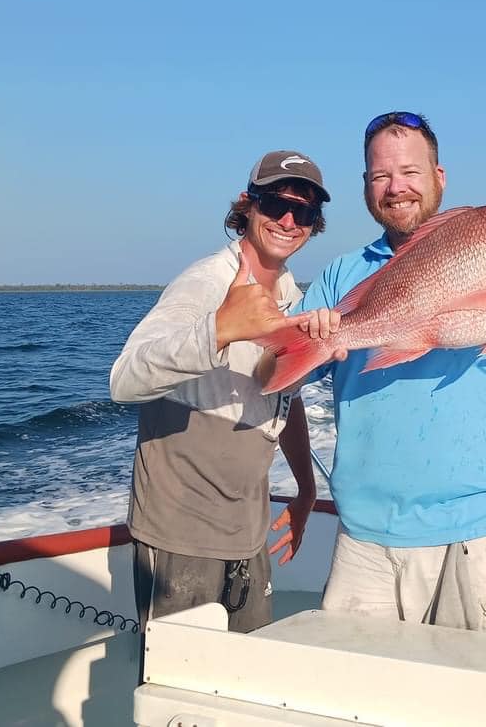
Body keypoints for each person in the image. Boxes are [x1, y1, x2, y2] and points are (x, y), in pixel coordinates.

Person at [297, 112, 486, 639]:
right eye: (381, 176)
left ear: (439, 177)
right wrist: (304, 342)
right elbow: (280, 377)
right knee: (359, 686)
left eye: (410, 172)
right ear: (366, 186)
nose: (396, 188)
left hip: (484, 534)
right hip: (367, 538)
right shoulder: (341, 275)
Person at [109, 150, 329, 636]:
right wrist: (219, 329)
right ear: (248, 205)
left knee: (244, 671)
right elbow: (124, 379)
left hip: (248, 533)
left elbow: (283, 399)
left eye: (304, 212)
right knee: (178, 680)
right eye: (276, 204)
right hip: (180, 536)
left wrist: (306, 489)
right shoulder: (206, 283)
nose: (288, 221)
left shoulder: (293, 300)